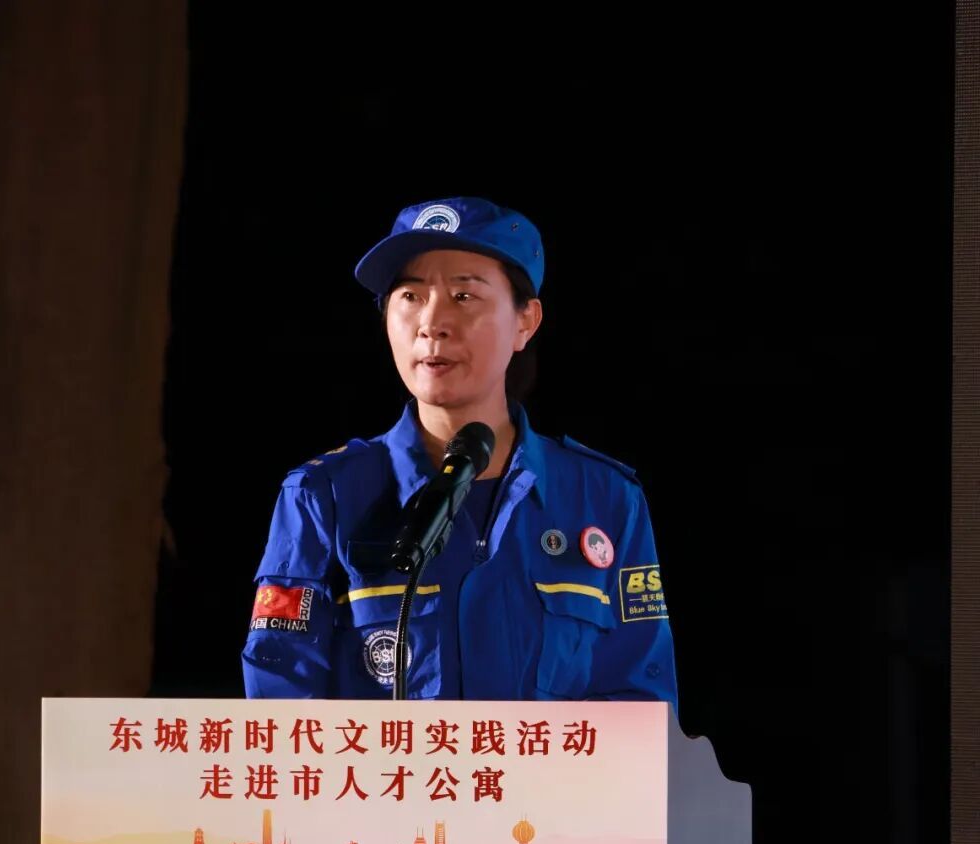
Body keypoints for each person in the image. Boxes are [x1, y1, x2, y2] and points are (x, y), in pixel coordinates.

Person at [242, 196, 677, 705]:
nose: (431, 323)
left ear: (525, 322)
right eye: (410, 295)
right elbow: (281, 707)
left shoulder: (604, 497)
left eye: (464, 296)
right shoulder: (322, 495)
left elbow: (640, 702)